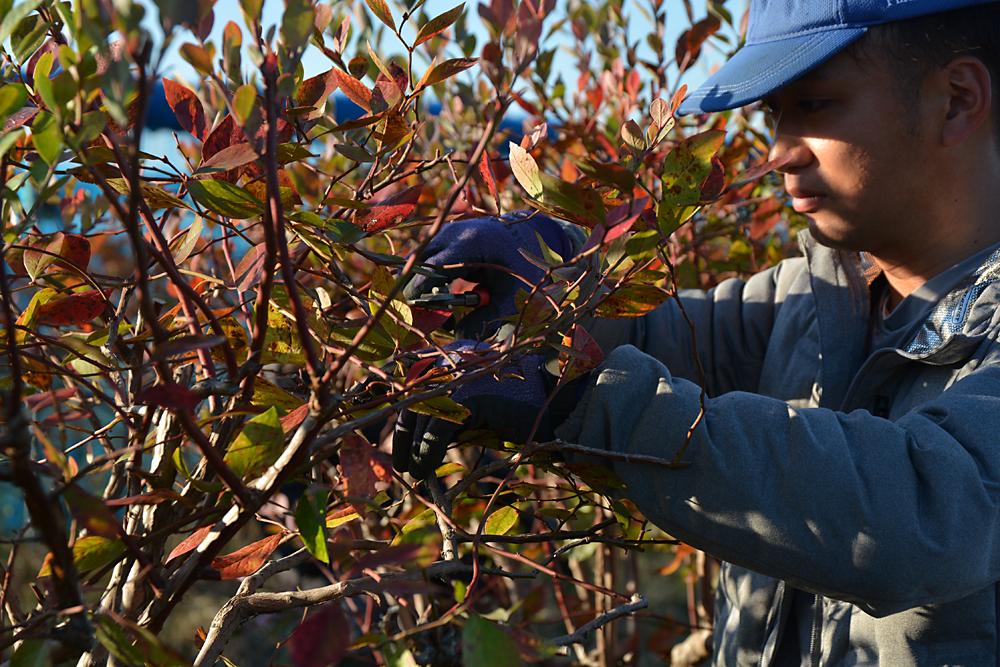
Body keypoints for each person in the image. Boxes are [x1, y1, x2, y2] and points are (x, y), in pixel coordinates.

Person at [394, 0, 1000, 664]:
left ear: (957, 101)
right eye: (775, 114)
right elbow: (660, 336)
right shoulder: (816, 301)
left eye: (816, 105)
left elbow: (932, 511)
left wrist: (582, 400)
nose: (779, 152)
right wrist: (545, 275)